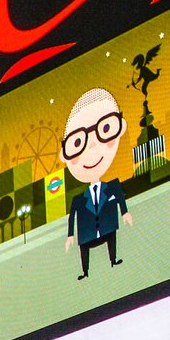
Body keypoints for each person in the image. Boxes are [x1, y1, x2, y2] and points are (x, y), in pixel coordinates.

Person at [61, 87, 132, 277]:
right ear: (65, 155)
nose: (92, 145)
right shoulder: (78, 199)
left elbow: (120, 197)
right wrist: (70, 236)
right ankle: (85, 271)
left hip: (107, 227)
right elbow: (72, 217)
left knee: (112, 239)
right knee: (85, 250)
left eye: (105, 129)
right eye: (77, 143)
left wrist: (125, 213)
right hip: (87, 234)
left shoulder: (112, 186)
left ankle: (113, 260)